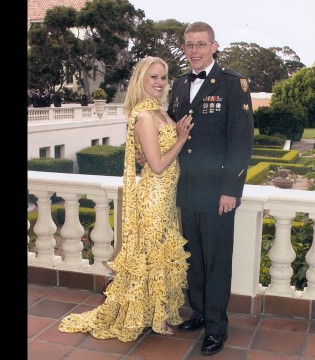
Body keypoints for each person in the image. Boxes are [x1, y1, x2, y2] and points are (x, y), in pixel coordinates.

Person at [58, 56, 194, 342]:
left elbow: (147, 157)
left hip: (165, 198)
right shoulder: (144, 116)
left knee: (156, 257)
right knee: (152, 258)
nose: (159, 82)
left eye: (163, 77)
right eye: (153, 77)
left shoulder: (159, 112)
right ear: (140, 80)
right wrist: (181, 138)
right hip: (154, 198)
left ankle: (151, 313)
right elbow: (157, 166)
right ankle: (151, 318)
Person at [168, 21, 254, 356]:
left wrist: (231, 189)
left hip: (219, 192)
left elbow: (240, 141)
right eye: (189, 45)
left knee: (217, 260)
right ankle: (199, 312)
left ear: (214, 46)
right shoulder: (177, 85)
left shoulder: (233, 84)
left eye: (201, 44)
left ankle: (217, 327)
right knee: (194, 257)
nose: (195, 51)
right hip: (187, 190)